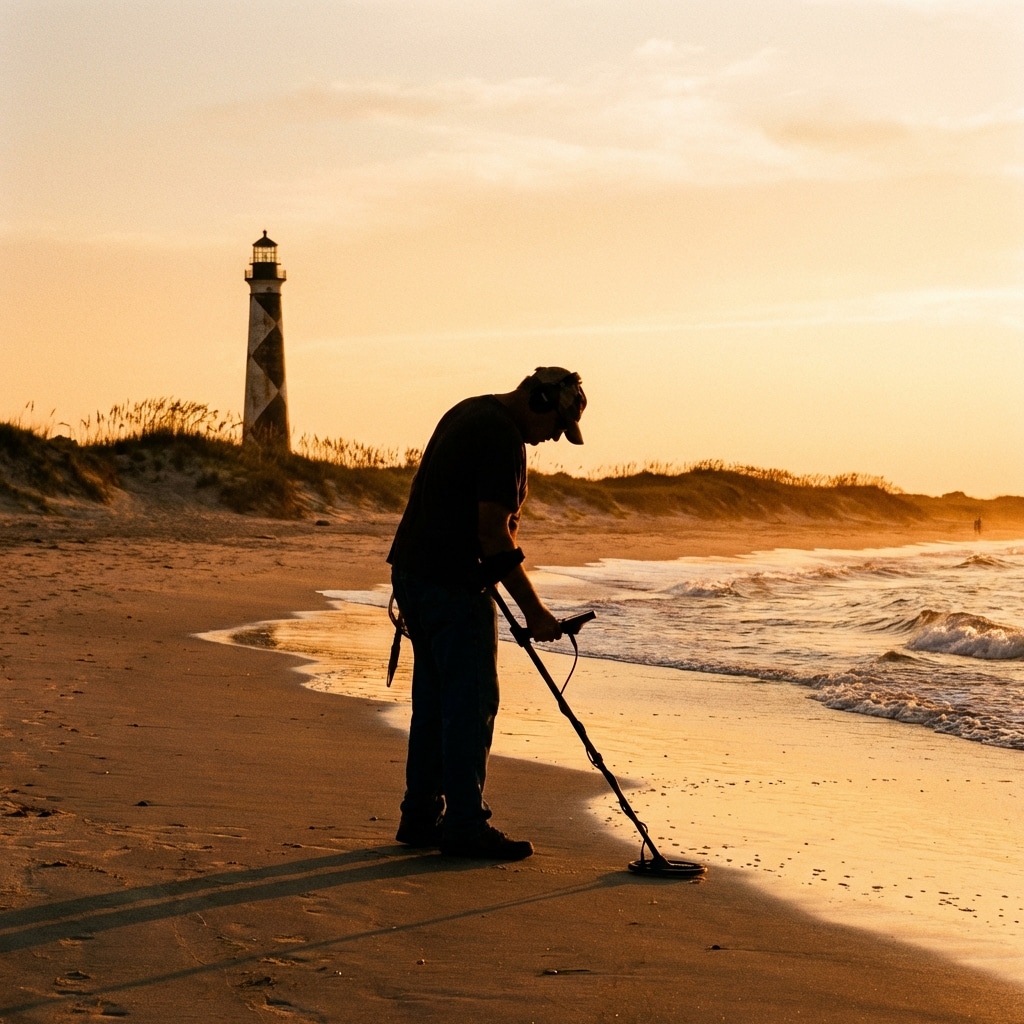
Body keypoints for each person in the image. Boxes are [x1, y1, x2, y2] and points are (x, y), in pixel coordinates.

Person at [387, 367, 587, 860]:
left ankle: (421, 815)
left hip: (413, 574)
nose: (549, 439)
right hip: (453, 586)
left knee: (434, 702)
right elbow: (494, 534)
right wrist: (536, 613)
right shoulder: (501, 436)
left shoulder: (469, 409)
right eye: (554, 426)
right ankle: (464, 825)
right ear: (537, 400)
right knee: (471, 705)